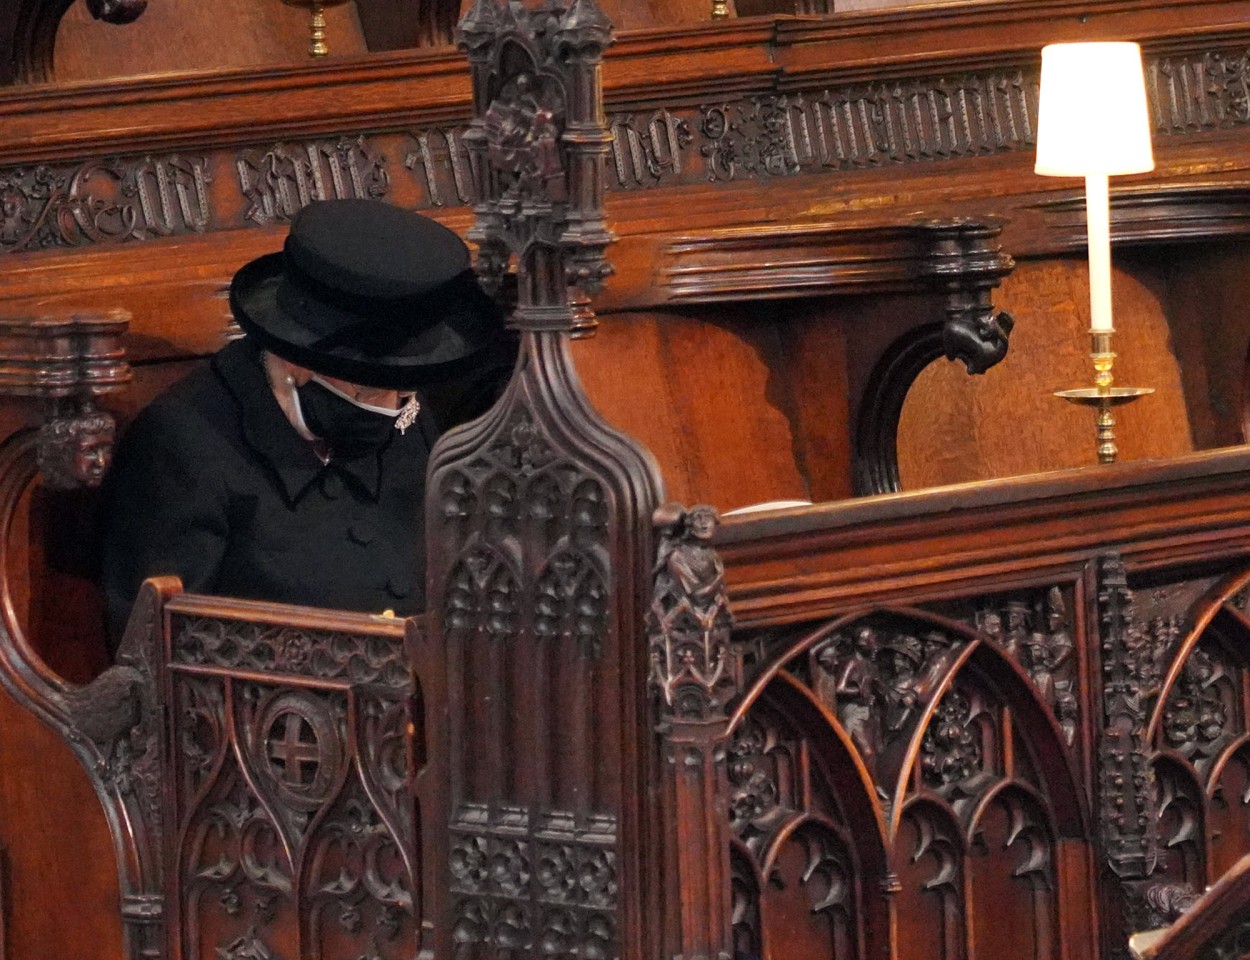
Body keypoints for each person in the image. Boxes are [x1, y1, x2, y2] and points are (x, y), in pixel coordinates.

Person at [97, 199, 516, 645]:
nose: (396, 408)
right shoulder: (181, 447)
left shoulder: (407, 412)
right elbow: (157, 655)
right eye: (372, 389)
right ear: (295, 360)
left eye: (406, 390)